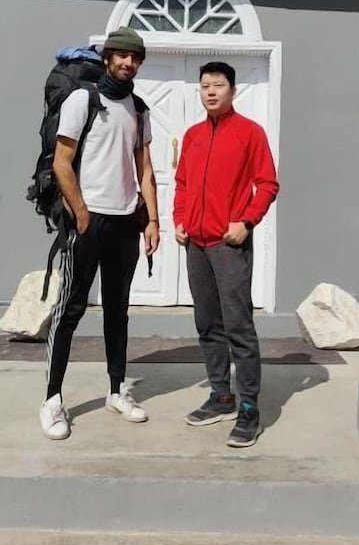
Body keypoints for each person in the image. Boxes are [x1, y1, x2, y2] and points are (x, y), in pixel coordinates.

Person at [39, 27, 160, 440]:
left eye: (135, 57)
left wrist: (153, 221)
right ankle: (52, 399)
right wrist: (81, 212)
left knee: (117, 311)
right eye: (122, 55)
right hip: (88, 220)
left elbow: (145, 169)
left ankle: (116, 391)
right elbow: (62, 161)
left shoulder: (139, 109)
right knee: (70, 309)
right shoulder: (83, 100)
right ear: (108, 58)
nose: (129, 63)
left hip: (126, 222)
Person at [173, 61, 279, 448]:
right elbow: (183, 183)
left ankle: (249, 406)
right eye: (205, 86)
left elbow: (268, 184)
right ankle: (221, 396)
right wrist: (179, 219)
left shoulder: (250, 133)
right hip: (196, 245)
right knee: (207, 323)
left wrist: (247, 222)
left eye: (218, 85)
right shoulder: (193, 135)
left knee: (238, 326)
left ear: (233, 90)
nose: (211, 91)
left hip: (228, 244)